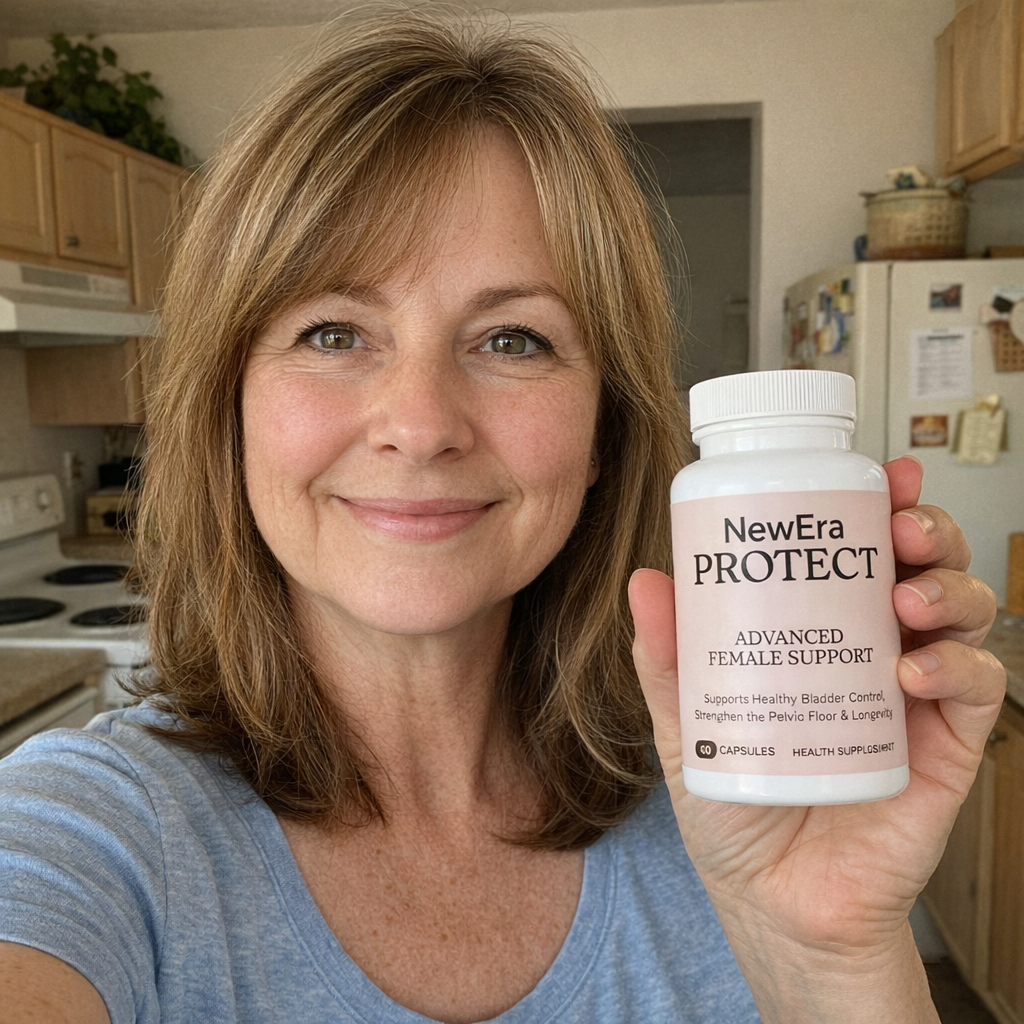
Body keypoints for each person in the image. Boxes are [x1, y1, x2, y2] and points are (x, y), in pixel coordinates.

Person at [0, 9, 1005, 1024]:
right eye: (334, 332)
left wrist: (830, 955)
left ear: (604, 428)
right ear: (231, 407)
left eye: (513, 339)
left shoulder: (739, 797)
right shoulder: (89, 835)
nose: (421, 426)